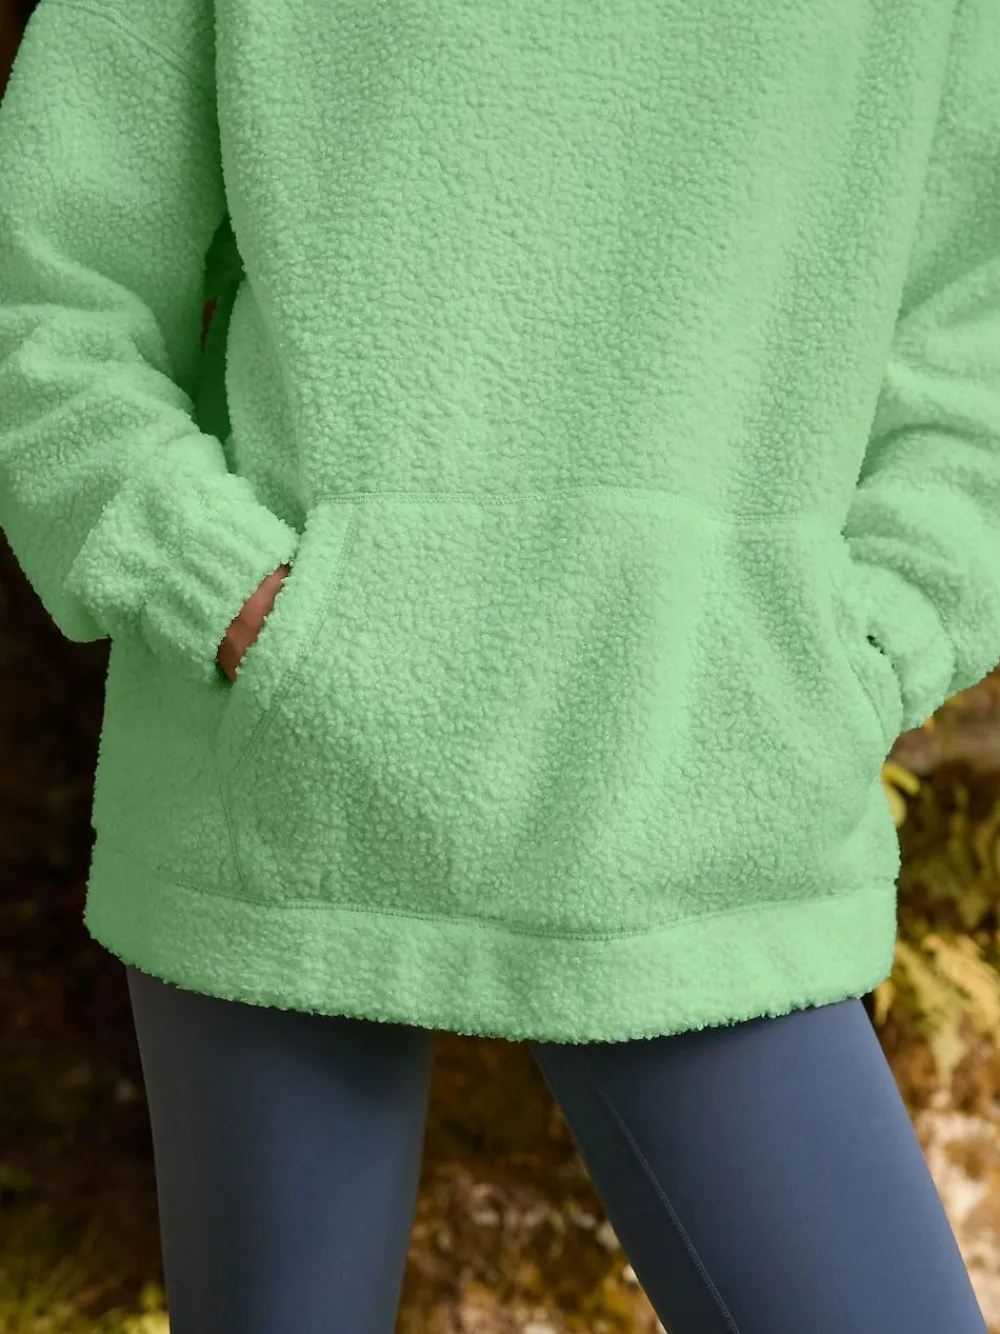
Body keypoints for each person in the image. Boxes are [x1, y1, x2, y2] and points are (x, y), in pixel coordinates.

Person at [0, 1, 997, 1330]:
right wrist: (222, 588)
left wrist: (877, 636)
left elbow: (976, 332)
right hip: (289, 770)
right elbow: (46, 284)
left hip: (711, 778)